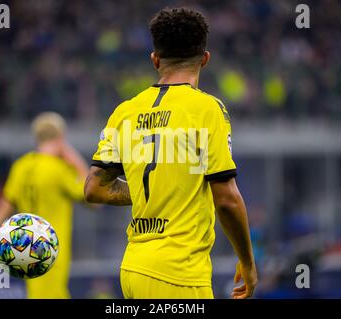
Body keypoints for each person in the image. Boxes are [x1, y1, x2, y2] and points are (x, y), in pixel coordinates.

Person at [84, 8, 258, 299]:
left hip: (133, 269)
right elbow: (226, 199)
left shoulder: (125, 112)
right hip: (180, 274)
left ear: (155, 59)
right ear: (205, 59)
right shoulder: (207, 109)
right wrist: (249, 263)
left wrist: (148, 190)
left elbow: (93, 189)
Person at [0, 112, 89, 299]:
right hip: (51, 251)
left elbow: (3, 208)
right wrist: (74, 158)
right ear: (61, 138)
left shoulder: (21, 167)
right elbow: (92, 196)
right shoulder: (58, 170)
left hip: (23, 251)